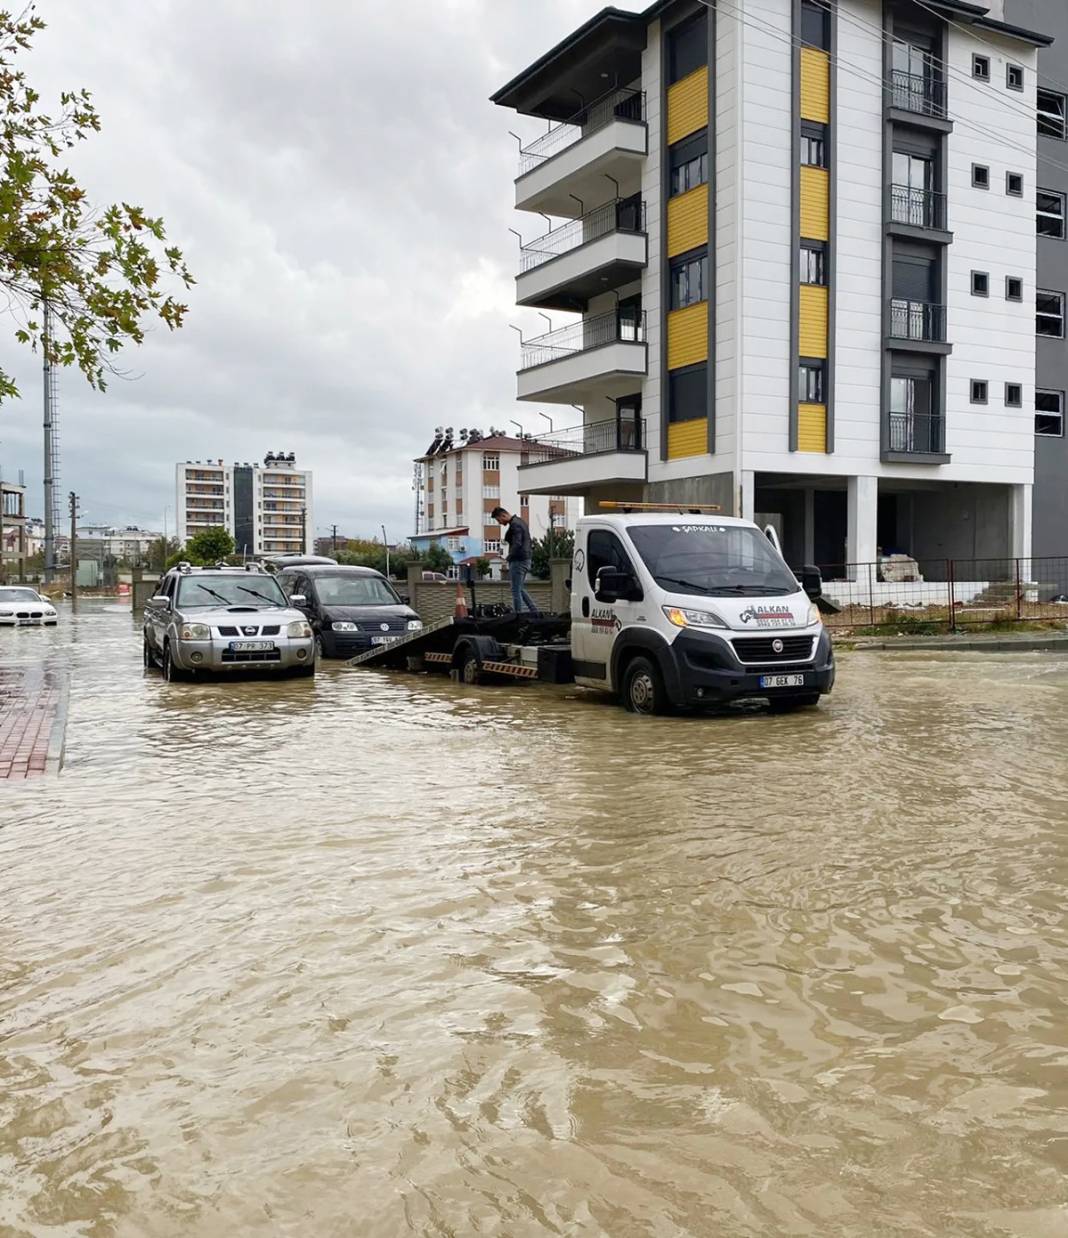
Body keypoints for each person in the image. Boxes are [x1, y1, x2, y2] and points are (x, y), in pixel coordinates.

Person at [492, 505, 540, 616]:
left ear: (503, 515)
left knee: (515, 590)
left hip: (518, 560)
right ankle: (534, 611)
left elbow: (517, 543)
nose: (500, 523)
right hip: (526, 559)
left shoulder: (515, 525)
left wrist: (508, 558)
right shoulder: (520, 521)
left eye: (499, 520)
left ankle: (518, 615)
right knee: (519, 588)